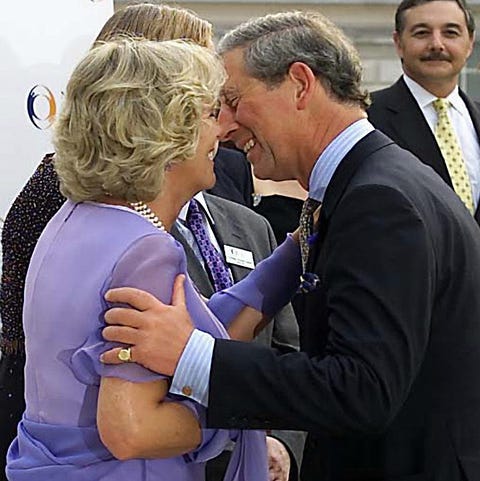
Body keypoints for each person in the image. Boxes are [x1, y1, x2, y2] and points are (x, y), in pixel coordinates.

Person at [101, 10, 480, 481]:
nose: (226, 127)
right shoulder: (371, 184)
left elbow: (360, 391)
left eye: (234, 101)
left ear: (300, 84)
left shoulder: (378, 201)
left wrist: (193, 355)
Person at [0, 5, 303, 480]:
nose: (222, 130)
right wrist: (237, 407)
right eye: (208, 113)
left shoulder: (76, 220)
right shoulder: (144, 249)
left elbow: (197, 324)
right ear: (167, 132)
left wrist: (296, 250)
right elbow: (132, 430)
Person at [367, 0, 480, 224]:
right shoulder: (366, 117)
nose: (437, 44)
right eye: (422, 33)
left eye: (450, 33)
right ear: (398, 43)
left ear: (470, 43)